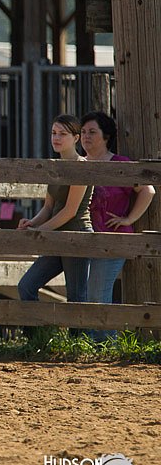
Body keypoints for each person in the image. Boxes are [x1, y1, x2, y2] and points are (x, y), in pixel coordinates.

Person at [81, 111, 155, 340]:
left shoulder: (120, 164)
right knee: (84, 294)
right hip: (82, 240)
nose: (86, 137)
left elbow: (148, 189)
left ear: (106, 136)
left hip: (113, 239)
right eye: (83, 132)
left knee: (98, 293)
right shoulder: (77, 164)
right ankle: (92, 342)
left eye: (93, 132)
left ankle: (105, 344)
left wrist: (129, 219)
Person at [17, 115, 92, 307]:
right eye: (53, 133)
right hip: (56, 235)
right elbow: (48, 208)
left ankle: (79, 338)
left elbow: (70, 211)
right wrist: (32, 223)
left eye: (63, 134)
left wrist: (41, 231)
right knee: (26, 286)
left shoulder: (81, 166)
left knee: (76, 297)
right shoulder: (54, 166)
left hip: (76, 235)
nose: (56, 138)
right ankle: (36, 334)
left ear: (76, 138)